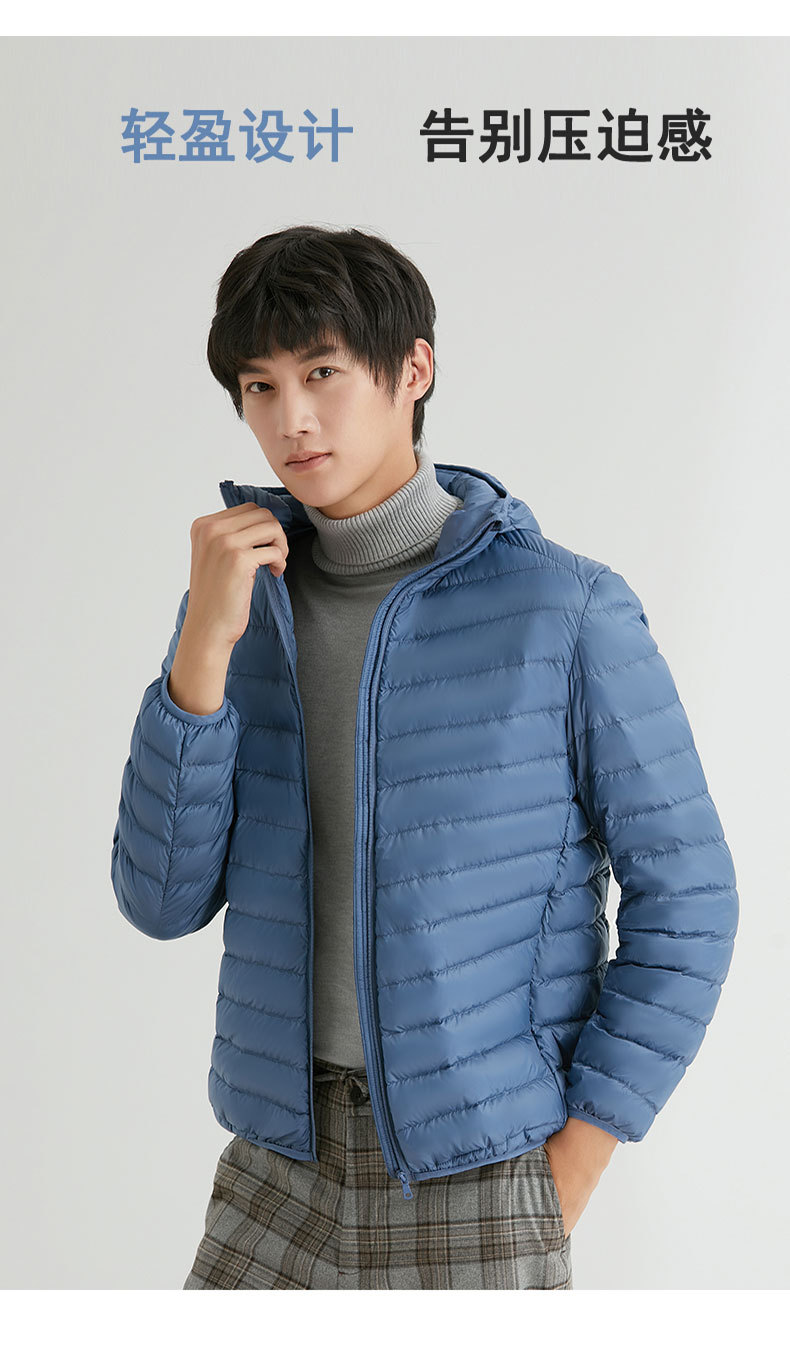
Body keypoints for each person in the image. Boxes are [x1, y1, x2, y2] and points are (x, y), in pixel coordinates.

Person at [111, 224, 739, 1291]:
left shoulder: (564, 607)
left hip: (482, 1177)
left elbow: (690, 898)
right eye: (259, 387)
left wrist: (575, 1160)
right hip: (275, 1165)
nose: (289, 418)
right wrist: (199, 654)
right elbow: (159, 900)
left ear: (413, 369)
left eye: (321, 372)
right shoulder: (237, 607)